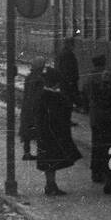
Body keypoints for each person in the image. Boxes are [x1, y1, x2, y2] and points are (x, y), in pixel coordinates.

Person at [34, 68, 81, 196]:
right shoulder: (50, 96)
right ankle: (50, 185)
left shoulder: (44, 94)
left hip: (46, 133)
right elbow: (56, 114)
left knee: (50, 160)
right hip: (51, 133)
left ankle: (51, 184)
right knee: (50, 160)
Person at [84, 54, 111, 184]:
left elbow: (85, 93)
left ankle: (96, 173)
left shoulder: (89, 77)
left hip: (94, 115)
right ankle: (108, 173)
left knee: (96, 145)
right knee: (107, 145)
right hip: (105, 117)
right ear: (103, 63)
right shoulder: (104, 76)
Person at [19, 57, 47, 160]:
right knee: (39, 131)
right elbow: (39, 95)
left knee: (27, 131)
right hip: (35, 108)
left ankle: (27, 153)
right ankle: (41, 154)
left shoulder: (29, 77)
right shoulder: (40, 79)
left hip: (26, 107)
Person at [56, 38, 81, 112]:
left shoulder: (63, 53)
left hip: (65, 82)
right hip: (68, 82)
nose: (74, 47)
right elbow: (67, 68)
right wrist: (70, 80)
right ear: (69, 45)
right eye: (72, 45)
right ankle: (67, 119)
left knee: (67, 100)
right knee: (68, 100)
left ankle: (67, 118)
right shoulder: (68, 54)